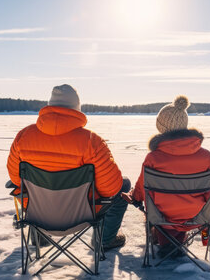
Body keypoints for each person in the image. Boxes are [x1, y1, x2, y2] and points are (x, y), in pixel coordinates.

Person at [7, 84, 129, 250]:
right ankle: (105, 239)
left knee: (28, 191)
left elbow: (16, 179)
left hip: (37, 214)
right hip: (81, 215)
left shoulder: (24, 136)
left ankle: (39, 237)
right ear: (77, 109)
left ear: (49, 106)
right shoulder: (92, 142)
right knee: (124, 185)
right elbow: (110, 189)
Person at [122, 95, 210, 257]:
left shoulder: (153, 158)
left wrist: (134, 197)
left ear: (161, 128)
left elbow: (141, 190)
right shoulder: (206, 156)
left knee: (159, 213)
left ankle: (166, 241)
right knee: (178, 213)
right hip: (197, 215)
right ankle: (175, 241)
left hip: (162, 216)